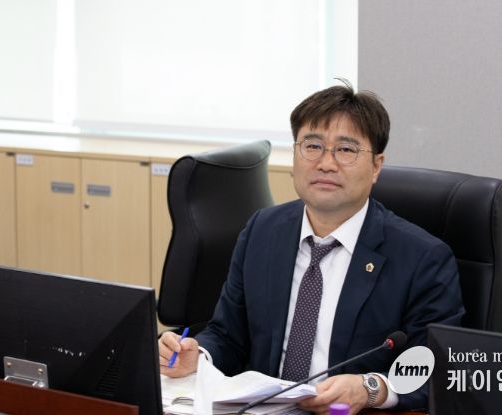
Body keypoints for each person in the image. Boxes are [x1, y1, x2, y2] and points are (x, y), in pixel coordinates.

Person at [159, 81, 464, 413]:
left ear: (376, 166)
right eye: (313, 146)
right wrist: (199, 355)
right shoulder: (262, 230)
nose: (326, 163)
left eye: (345, 150)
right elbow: (228, 334)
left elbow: (434, 370)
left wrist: (368, 388)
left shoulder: (422, 258)